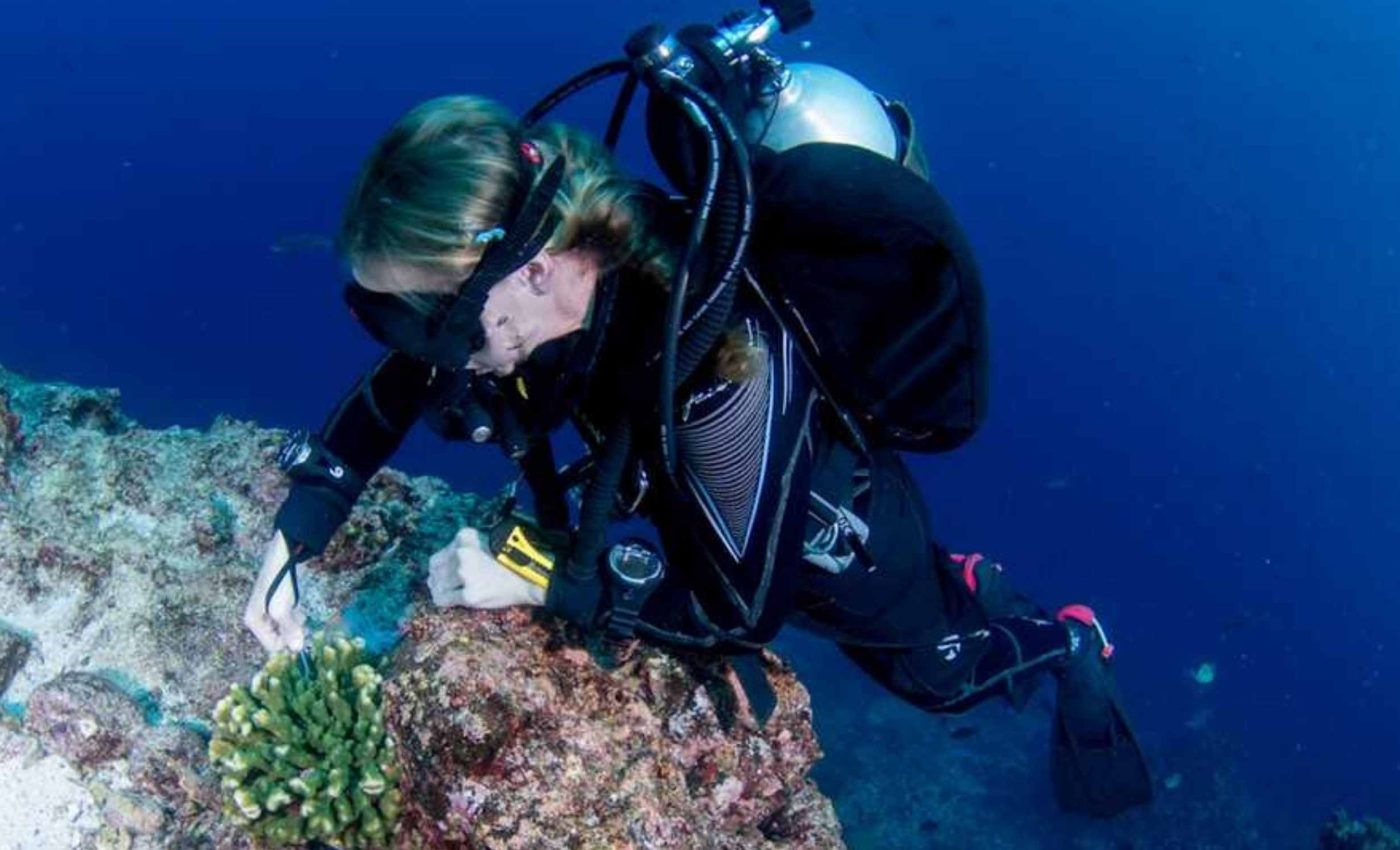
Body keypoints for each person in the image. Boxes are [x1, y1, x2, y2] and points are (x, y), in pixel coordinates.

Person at [242, 89, 1153, 818]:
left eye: (430, 315)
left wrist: (540, 586)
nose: (426, 348)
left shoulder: (717, 362)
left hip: (840, 544)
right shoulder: (535, 297)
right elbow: (398, 389)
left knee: (937, 677)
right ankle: (973, 581)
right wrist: (296, 536)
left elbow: (742, 611)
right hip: (707, 503)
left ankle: (1067, 639)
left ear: (530, 266)